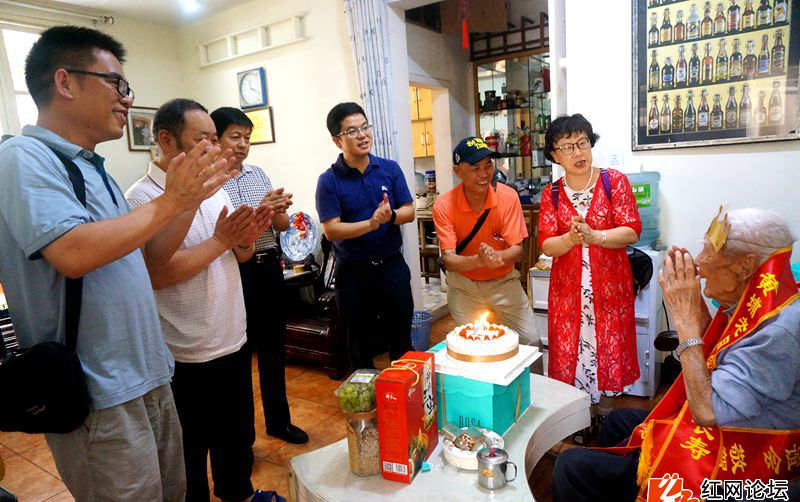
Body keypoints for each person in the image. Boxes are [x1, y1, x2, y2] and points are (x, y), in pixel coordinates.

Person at [0, 26, 236, 501]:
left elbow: (150, 258)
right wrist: (173, 201)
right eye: (116, 83)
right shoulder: (21, 156)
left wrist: (191, 196)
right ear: (65, 82)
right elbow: (72, 253)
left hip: (147, 373)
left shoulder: (93, 167)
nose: (127, 99)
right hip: (98, 389)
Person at [552, 208, 800, 502]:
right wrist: (696, 306)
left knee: (570, 467)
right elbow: (717, 354)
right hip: (727, 433)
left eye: (708, 253)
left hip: (746, 480)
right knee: (619, 420)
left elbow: (707, 412)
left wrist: (683, 318)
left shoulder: (778, 332)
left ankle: (626, 482)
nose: (699, 262)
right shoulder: (762, 301)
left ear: (746, 266)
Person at [126, 99, 280, 502]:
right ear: (166, 140)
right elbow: (157, 274)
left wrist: (246, 235)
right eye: (203, 140)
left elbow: (239, 255)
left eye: (215, 139)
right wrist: (222, 240)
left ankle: (238, 492)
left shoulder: (214, 188)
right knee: (190, 451)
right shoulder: (140, 199)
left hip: (231, 337)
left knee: (235, 441)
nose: (214, 149)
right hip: (185, 351)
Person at [211, 106, 308, 445]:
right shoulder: (211, 183)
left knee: (273, 348)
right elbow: (226, 231)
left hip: (268, 267)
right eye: (235, 137)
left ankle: (279, 422)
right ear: (216, 139)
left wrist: (277, 210)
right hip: (234, 270)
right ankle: (243, 440)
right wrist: (260, 211)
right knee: (239, 355)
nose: (242, 145)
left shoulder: (258, 174)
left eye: (247, 138)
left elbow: (281, 226)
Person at [537, 114, 641, 417]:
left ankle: (605, 419)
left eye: (582, 143)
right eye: (567, 147)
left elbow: (632, 230)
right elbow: (546, 244)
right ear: (555, 155)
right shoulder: (551, 194)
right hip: (568, 295)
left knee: (608, 352)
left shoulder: (613, 182)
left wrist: (596, 236)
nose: (578, 152)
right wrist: (570, 239)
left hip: (609, 292)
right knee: (573, 355)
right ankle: (581, 419)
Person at [315, 102, 415, 369]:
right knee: (358, 344)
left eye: (365, 127)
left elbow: (409, 211)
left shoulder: (390, 169)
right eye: (352, 131)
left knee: (401, 338)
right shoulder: (329, 180)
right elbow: (331, 229)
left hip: (392, 266)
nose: (362, 135)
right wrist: (371, 224)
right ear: (337, 140)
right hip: (353, 273)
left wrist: (390, 216)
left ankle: (404, 388)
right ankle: (366, 393)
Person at [432, 136, 541, 348]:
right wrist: (479, 260)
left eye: (488, 165)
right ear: (458, 171)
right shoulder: (444, 206)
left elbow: (516, 250)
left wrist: (496, 257)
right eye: (475, 168)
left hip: (504, 282)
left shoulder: (508, 197)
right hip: (464, 286)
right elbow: (450, 260)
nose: (484, 174)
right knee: (475, 346)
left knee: (532, 342)